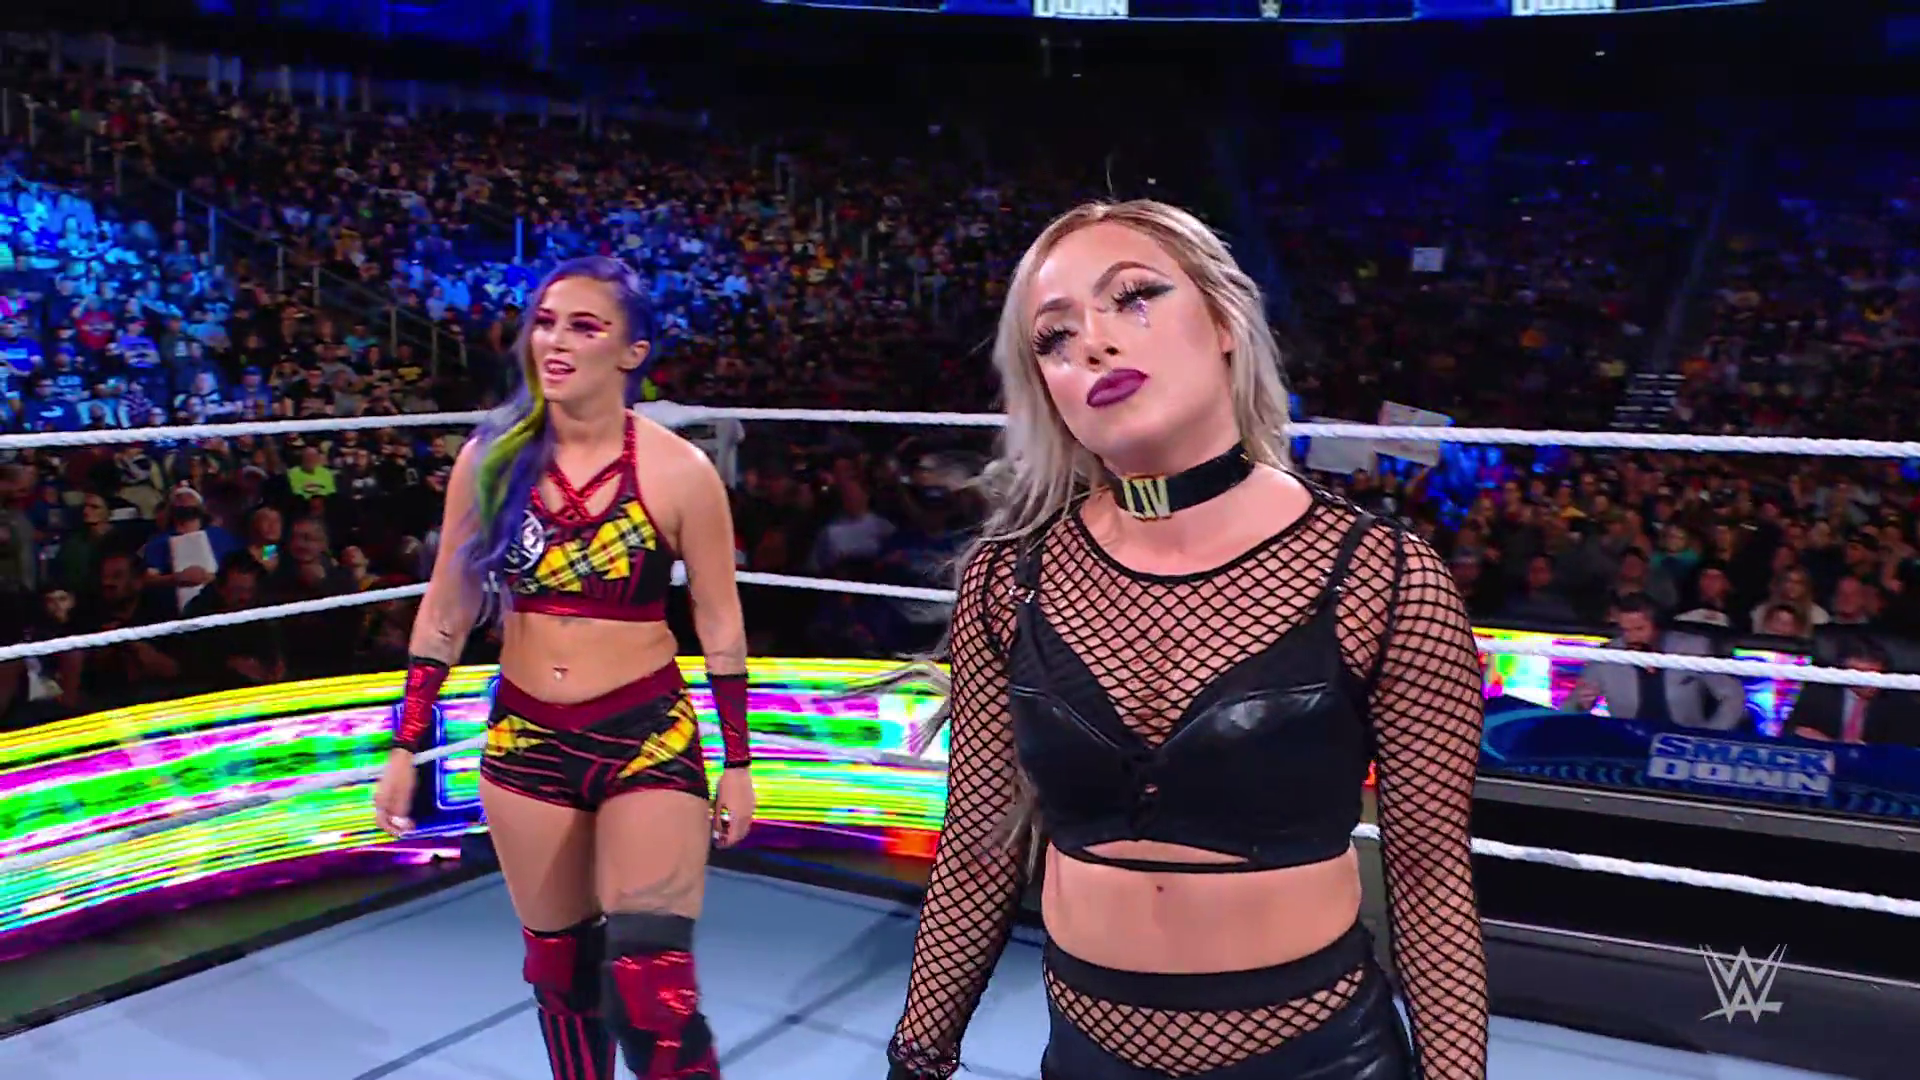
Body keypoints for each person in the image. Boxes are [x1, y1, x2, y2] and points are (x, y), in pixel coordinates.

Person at [881, 201, 1488, 1080]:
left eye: (1133, 298)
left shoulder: (1382, 576)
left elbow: (1431, 878)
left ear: (1226, 321)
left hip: (1320, 1059)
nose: (1092, 344)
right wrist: (916, 1060)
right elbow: (977, 853)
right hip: (1087, 1059)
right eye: (1054, 337)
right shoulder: (1008, 581)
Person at [372, 255, 756, 1080]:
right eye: (545, 322)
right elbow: (445, 609)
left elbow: (720, 623)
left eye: (584, 327)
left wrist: (739, 764)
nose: (555, 341)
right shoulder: (492, 460)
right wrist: (405, 745)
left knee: (652, 989)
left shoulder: (680, 472)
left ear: (631, 352)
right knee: (561, 974)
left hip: (645, 735)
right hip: (525, 738)